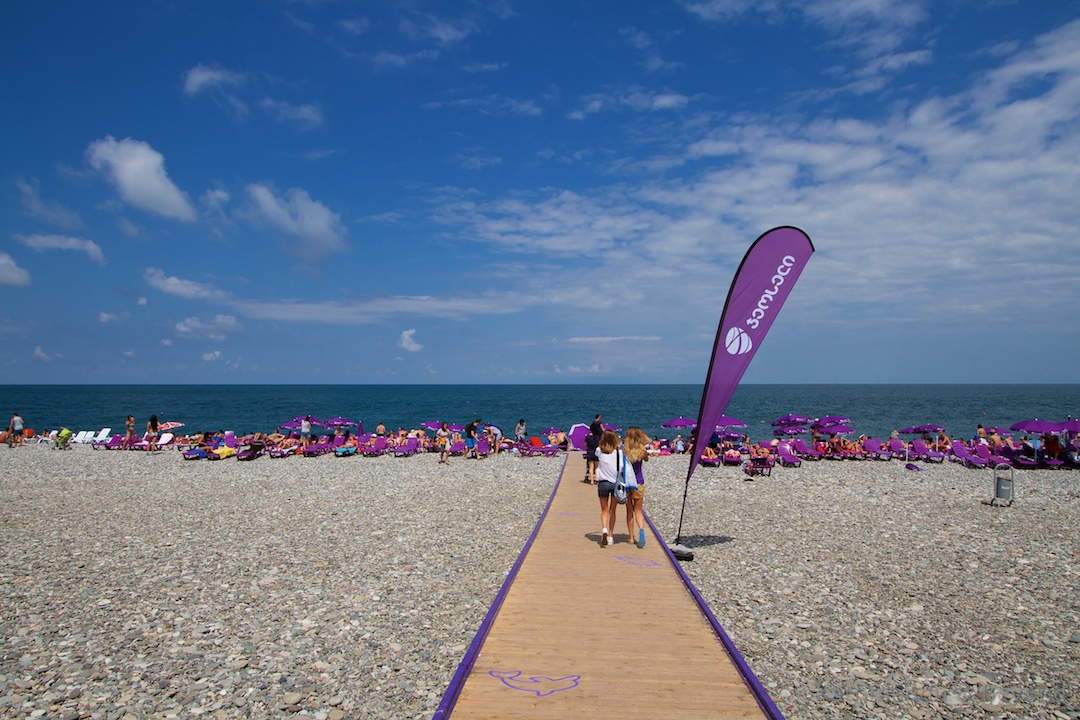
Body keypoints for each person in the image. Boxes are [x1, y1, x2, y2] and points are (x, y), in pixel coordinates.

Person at [623, 427, 649, 548]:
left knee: (629, 511)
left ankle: (631, 537)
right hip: (639, 482)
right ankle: (642, 530)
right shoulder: (642, 450)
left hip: (628, 483)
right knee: (638, 510)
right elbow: (646, 459)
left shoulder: (625, 451)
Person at [595, 430, 622, 548]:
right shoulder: (618, 453)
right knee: (613, 510)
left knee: (604, 510)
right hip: (615, 483)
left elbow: (597, 452)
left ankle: (604, 529)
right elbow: (621, 468)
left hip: (603, 483)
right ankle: (610, 535)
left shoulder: (599, 451)